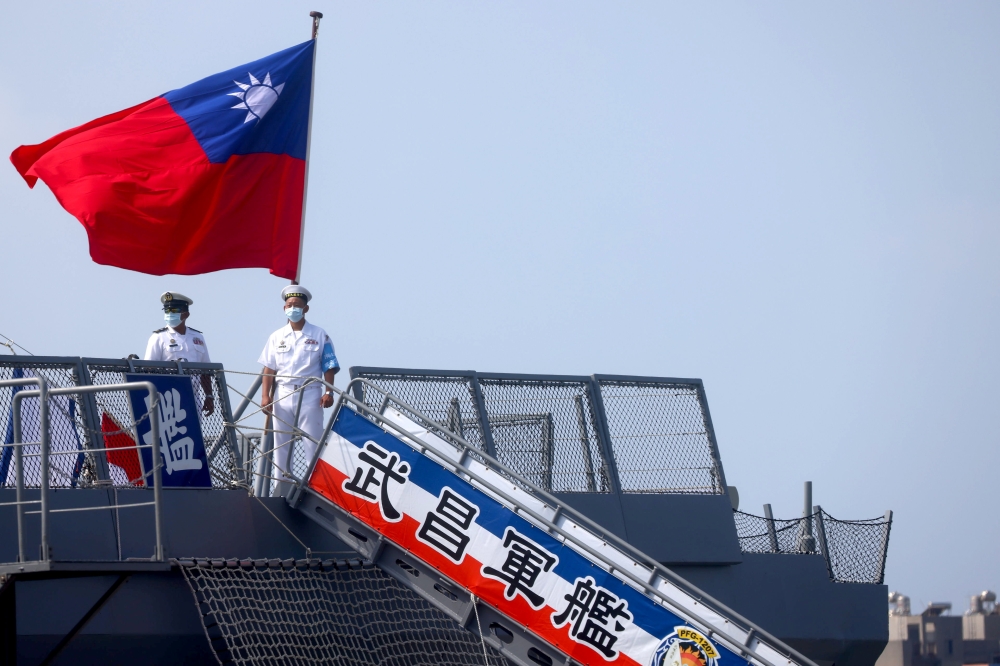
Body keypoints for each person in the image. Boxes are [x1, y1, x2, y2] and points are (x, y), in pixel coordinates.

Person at [258, 285, 340, 486]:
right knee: (281, 444)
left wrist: (329, 391)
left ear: (306, 309)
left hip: (310, 393)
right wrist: (265, 396)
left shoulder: (319, 334)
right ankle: (282, 485)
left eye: (296, 305)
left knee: (312, 441)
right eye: (289, 305)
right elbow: (269, 369)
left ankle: (316, 486)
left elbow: (329, 365)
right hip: (283, 393)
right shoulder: (276, 337)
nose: (292, 308)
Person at [144, 291, 215, 415]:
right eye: (167, 310)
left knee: (194, 433)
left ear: (186, 314)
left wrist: (209, 395)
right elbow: (147, 370)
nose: (170, 314)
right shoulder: (158, 337)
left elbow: (205, 370)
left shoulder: (197, 337)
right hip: (166, 398)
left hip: (193, 397)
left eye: (174, 310)